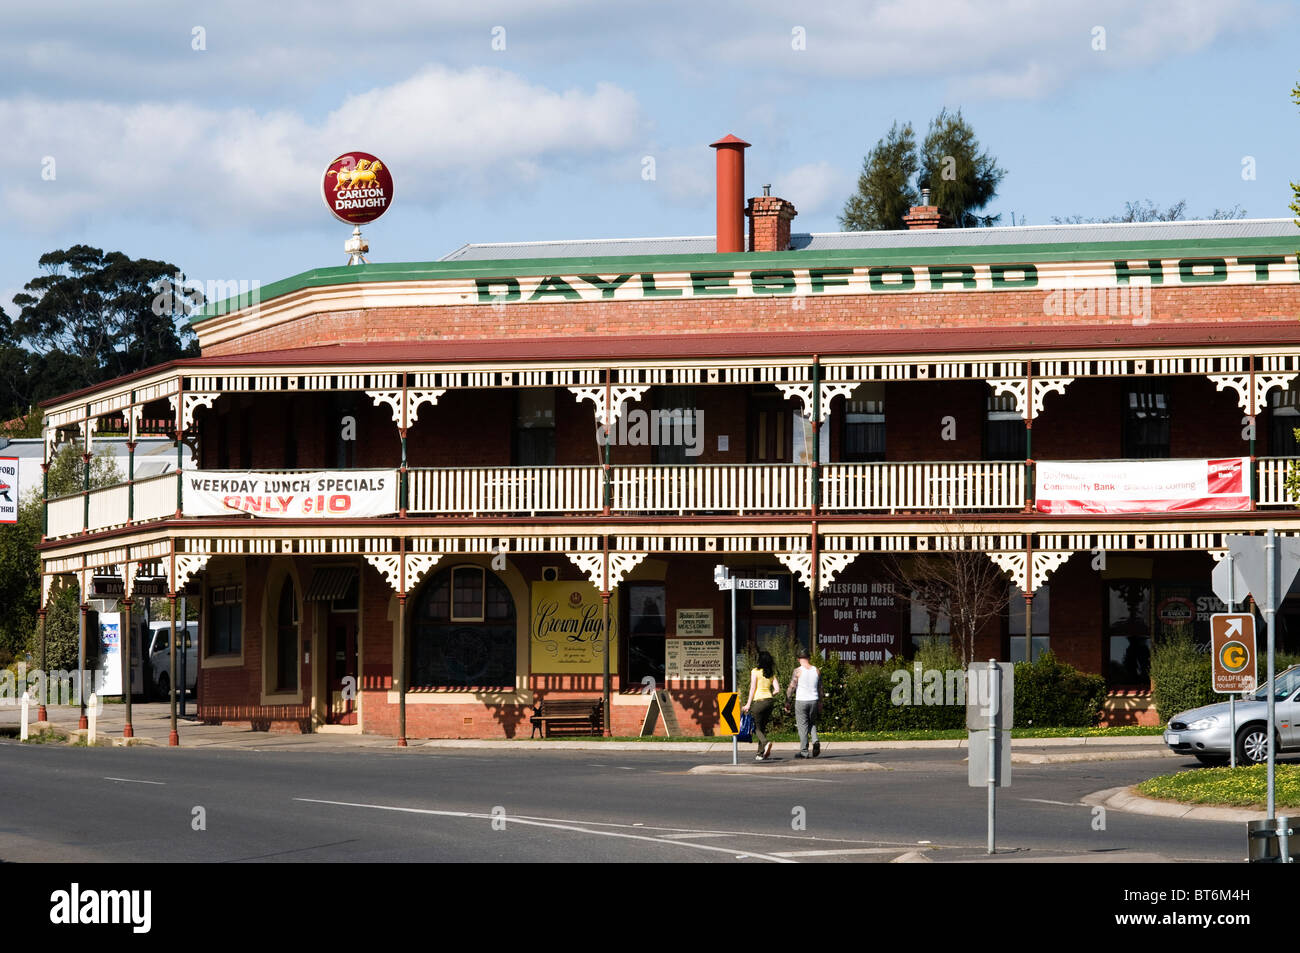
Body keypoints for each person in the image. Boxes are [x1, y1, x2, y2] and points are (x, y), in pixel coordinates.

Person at [741, 650, 781, 761]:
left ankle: (766, 742)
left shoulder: (755, 671)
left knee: (755, 727)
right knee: (762, 728)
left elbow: (752, 688)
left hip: (759, 702)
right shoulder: (771, 673)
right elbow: (777, 689)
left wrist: (748, 704)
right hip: (769, 702)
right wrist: (769, 694)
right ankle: (760, 753)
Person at [787, 649, 821, 758]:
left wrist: (787, 701)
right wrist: (820, 702)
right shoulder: (816, 670)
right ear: (809, 658)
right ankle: (815, 740)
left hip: (801, 700)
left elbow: (792, 687)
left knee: (802, 726)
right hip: (814, 700)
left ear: (798, 659)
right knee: (812, 722)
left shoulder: (797, 671)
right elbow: (820, 688)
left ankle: (804, 751)